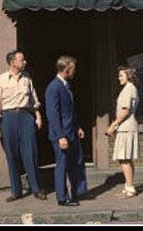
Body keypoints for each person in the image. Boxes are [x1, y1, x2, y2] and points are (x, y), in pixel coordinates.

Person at [0, 50, 47, 202]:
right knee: (12, 155)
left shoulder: (27, 78)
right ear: (12, 62)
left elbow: (34, 99)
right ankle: (16, 191)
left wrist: (38, 116)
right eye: (22, 60)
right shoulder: (0, 80)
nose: (25, 62)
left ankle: (36, 188)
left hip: (26, 117)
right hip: (7, 119)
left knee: (31, 153)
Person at [45, 55, 88, 207]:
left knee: (75, 164)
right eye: (73, 69)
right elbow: (53, 115)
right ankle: (62, 198)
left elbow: (69, 111)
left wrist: (77, 127)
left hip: (72, 132)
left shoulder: (65, 85)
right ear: (67, 70)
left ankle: (76, 193)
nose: (75, 72)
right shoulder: (54, 87)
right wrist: (61, 136)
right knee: (62, 166)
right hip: (62, 135)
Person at [106, 66, 140, 198]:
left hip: (126, 127)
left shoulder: (128, 89)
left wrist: (113, 125)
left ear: (128, 76)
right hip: (127, 126)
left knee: (123, 158)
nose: (119, 78)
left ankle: (130, 188)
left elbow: (125, 111)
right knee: (126, 158)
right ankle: (128, 186)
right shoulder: (130, 89)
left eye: (121, 75)